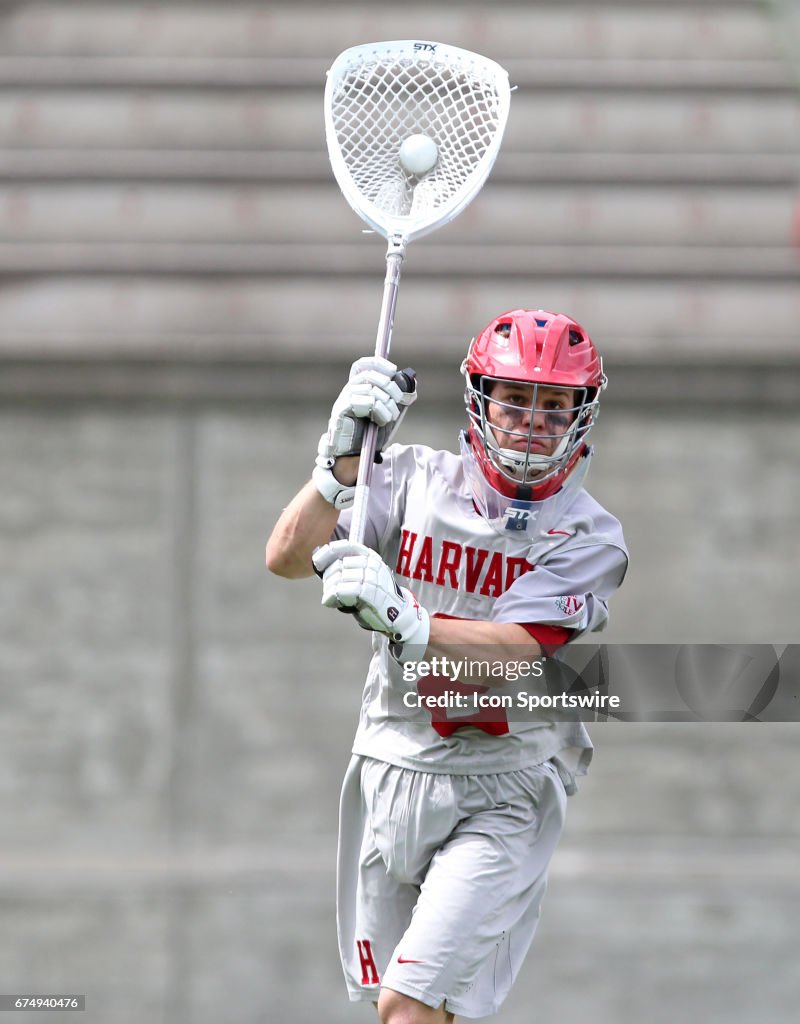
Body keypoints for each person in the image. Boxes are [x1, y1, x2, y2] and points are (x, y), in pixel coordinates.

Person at [266, 308, 628, 1023]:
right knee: (402, 1011)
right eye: (516, 398)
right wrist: (337, 469)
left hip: (502, 788)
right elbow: (284, 558)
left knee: (409, 1007)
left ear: (580, 415)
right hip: (388, 761)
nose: (532, 420)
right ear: (480, 398)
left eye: (554, 404)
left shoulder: (590, 536)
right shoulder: (406, 478)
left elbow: (514, 653)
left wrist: (407, 619)